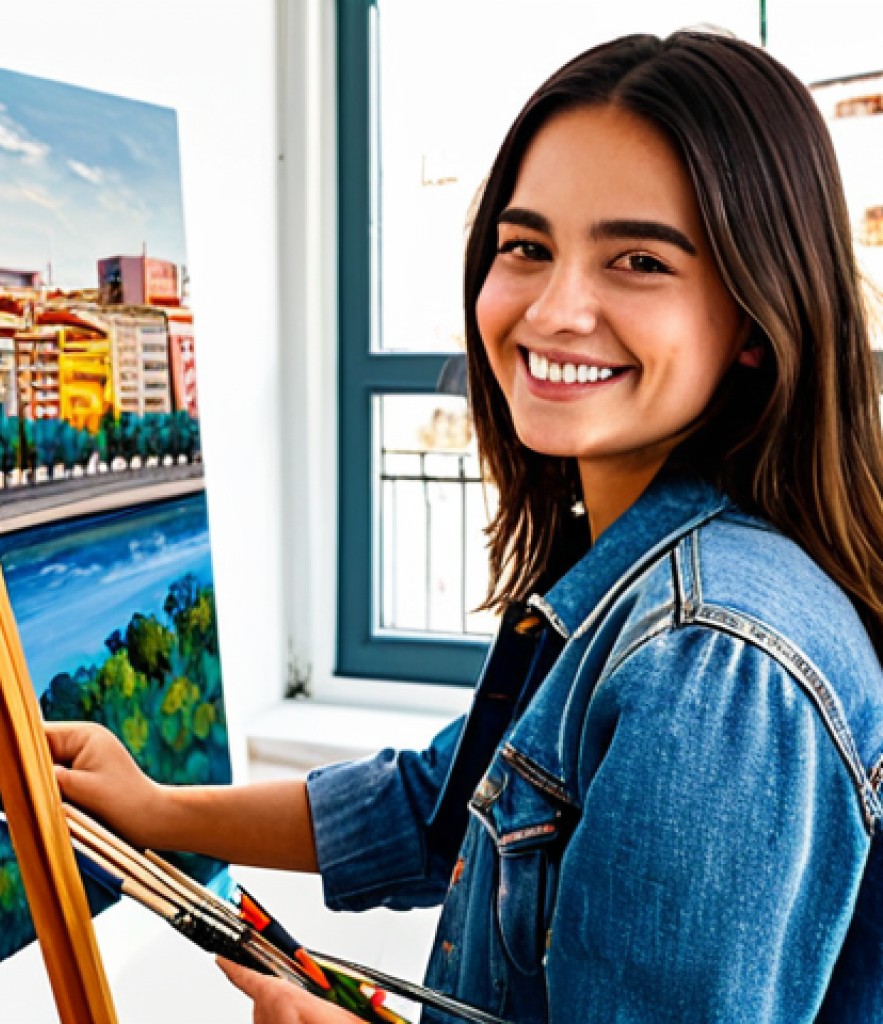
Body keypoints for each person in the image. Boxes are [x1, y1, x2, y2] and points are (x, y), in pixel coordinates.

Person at [46, 30, 883, 1023]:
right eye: (525, 247)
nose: (554, 308)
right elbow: (439, 807)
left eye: (637, 261)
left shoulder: (709, 657)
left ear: (756, 314)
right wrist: (156, 809)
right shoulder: (639, 568)